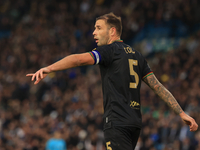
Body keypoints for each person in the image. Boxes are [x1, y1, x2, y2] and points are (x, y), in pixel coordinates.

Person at [26, 12, 198, 150]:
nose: (94, 32)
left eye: (99, 28)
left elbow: (79, 60)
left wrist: (49, 68)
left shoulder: (109, 51)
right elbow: (157, 86)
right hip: (134, 123)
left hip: (117, 122)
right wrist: (181, 112)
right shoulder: (137, 55)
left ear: (112, 31)